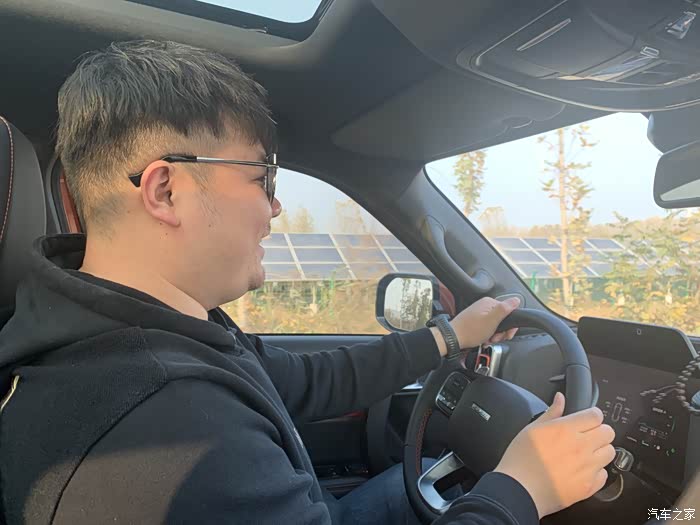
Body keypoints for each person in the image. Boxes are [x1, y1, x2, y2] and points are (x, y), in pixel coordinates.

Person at [0, 40, 615, 525]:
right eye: (262, 179)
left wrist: (448, 337)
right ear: (166, 190)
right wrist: (522, 489)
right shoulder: (169, 427)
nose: (276, 208)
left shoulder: (136, 334)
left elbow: (303, 381)